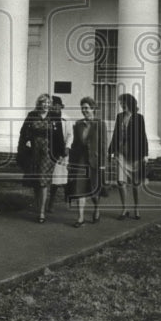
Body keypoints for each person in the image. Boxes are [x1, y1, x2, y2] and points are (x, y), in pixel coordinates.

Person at [17, 93, 66, 222]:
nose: (46, 105)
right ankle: (39, 207)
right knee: (36, 181)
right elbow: (23, 132)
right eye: (43, 102)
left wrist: (61, 153)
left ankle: (42, 213)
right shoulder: (32, 115)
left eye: (48, 103)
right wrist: (25, 143)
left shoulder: (54, 116)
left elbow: (59, 136)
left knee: (43, 181)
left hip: (48, 152)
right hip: (34, 152)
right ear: (39, 103)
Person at [67, 96, 108, 227]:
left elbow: (103, 145)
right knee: (80, 189)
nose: (84, 110)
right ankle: (80, 217)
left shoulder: (100, 124)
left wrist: (103, 164)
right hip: (80, 161)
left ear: (93, 108)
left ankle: (97, 208)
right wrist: (71, 163)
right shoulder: (78, 124)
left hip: (94, 162)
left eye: (86, 108)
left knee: (94, 190)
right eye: (82, 108)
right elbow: (74, 145)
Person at [109, 92, 148, 220]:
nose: (122, 105)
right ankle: (125, 208)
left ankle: (136, 208)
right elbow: (115, 134)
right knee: (121, 182)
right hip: (121, 153)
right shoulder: (119, 117)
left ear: (131, 103)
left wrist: (145, 154)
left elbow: (143, 136)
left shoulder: (139, 118)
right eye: (121, 103)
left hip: (135, 154)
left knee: (135, 183)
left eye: (124, 103)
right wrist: (111, 151)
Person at [46, 96, 70, 214]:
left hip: (63, 152)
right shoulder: (47, 118)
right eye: (52, 105)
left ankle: (68, 198)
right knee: (54, 180)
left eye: (57, 105)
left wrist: (67, 147)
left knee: (65, 178)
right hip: (51, 152)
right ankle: (51, 203)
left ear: (61, 106)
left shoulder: (66, 119)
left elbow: (71, 135)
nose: (54, 107)